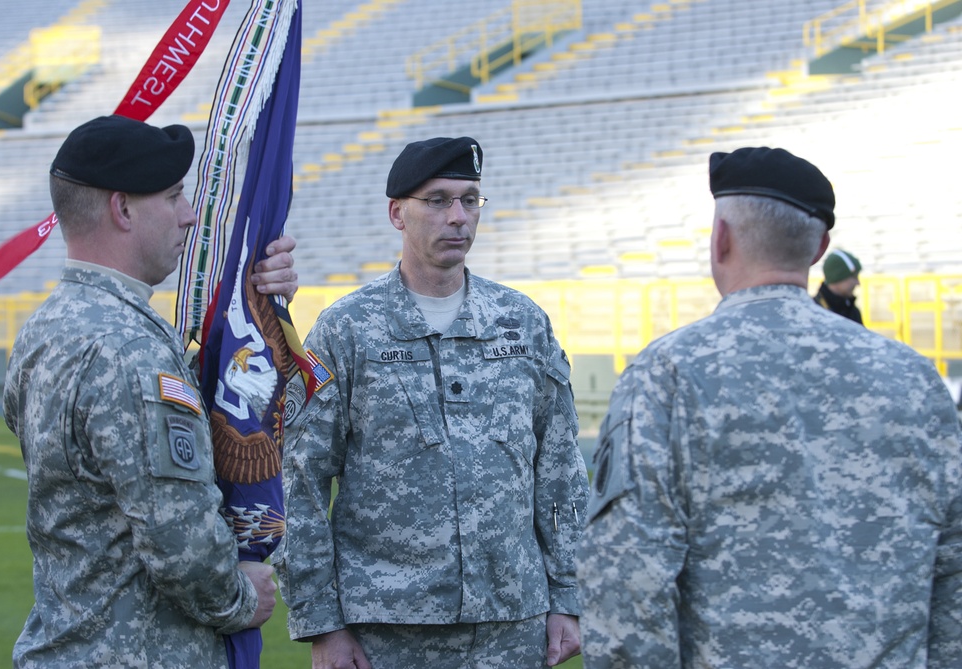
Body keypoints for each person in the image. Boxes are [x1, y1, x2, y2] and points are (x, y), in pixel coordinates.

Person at [577, 147, 962, 668]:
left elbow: (627, 578)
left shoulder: (667, 373)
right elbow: (952, 571)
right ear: (820, 247)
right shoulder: (915, 377)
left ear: (721, 239)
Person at [278, 137, 589, 668]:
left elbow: (559, 469)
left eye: (470, 200)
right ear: (398, 213)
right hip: (388, 626)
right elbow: (301, 478)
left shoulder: (521, 322)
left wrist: (568, 595)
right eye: (439, 200)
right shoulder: (349, 329)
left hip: (510, 622)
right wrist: (321, 624)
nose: (458, 217)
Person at [3, 115, 300, 668]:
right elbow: (180, 541)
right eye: (173, 195)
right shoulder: (128, 347)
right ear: (122, 209)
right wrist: (240, 598)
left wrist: (260, 313)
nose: (189, 215)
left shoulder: (44, 328)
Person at [814, 248, 863, 324]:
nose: (858, 283)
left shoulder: (852, 311)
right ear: (838, 277)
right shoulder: (814, 311)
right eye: (854, 277)